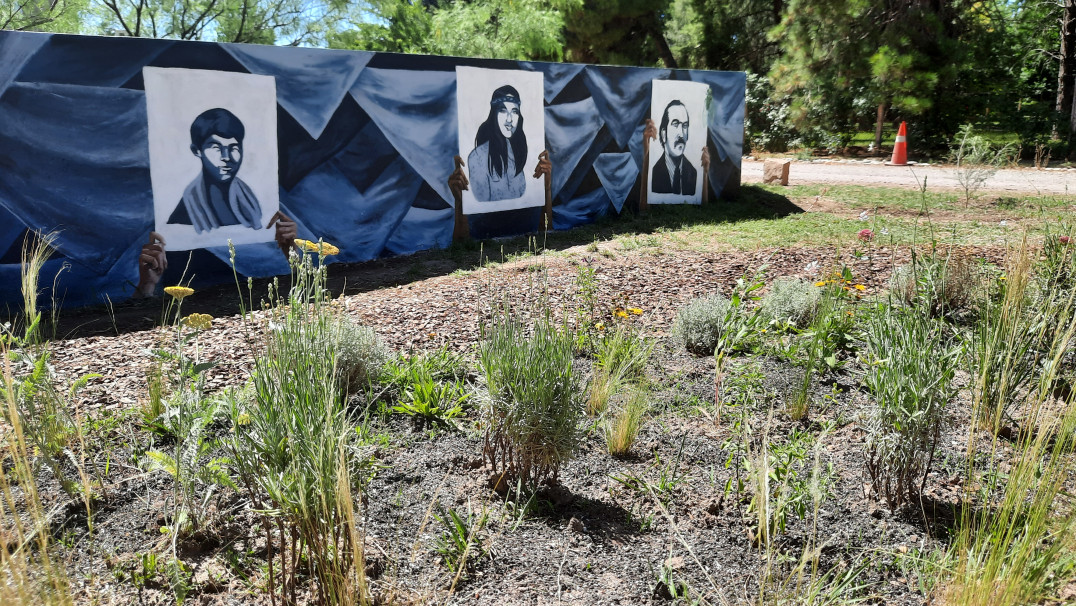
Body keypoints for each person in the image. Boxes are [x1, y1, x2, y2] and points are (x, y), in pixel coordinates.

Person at [135, 212, 297, 298]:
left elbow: (304, 295)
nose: (226, 158)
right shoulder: (169, 229)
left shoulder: (267, 216)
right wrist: (147, 285)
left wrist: (291, 253)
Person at [168, 108, 263, 233]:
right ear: (197, 151)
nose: (226, 157)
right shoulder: (183, 215)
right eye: (216, 148)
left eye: (233, 148)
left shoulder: (247, 196)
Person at [467, 85, 528, 202]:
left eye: (514, 112)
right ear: (494, 114)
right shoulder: (477, 157)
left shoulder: (516, 152)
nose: (509, 119)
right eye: (503, 111)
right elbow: (481, 204)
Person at [651, 100, 697, 196]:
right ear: (663, 134)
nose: (681, 133)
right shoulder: (653, 172)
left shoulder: (693, 172)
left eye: (685, 126)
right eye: (675, 124)